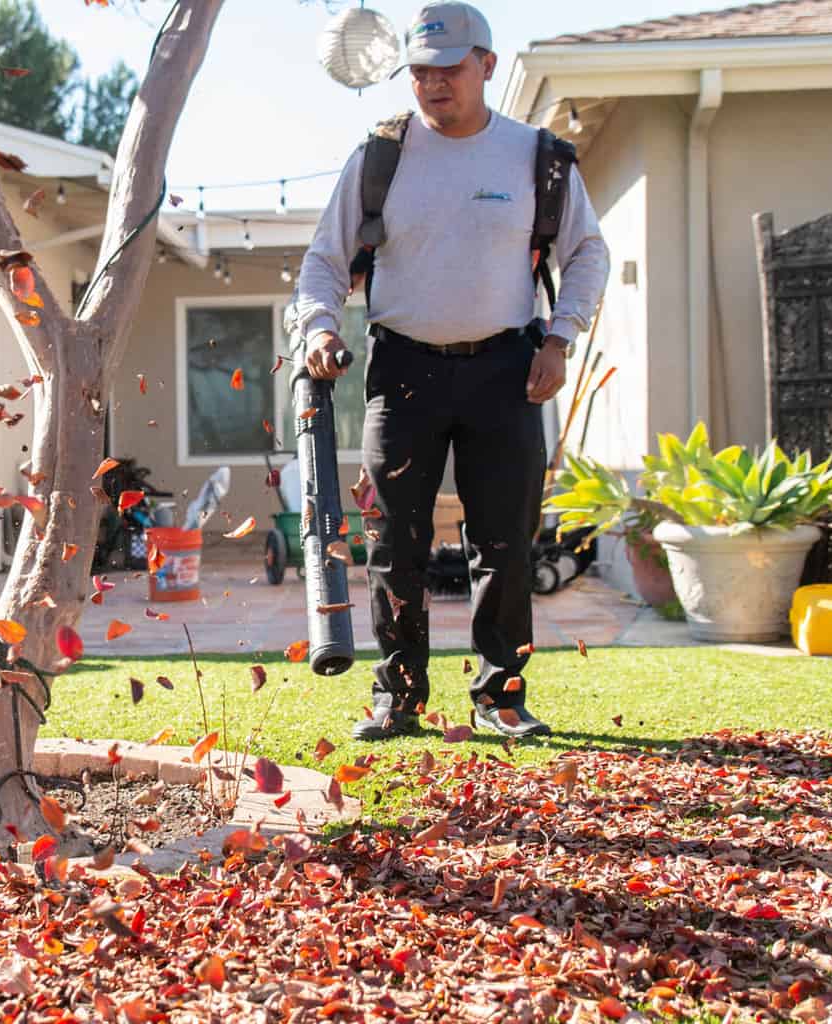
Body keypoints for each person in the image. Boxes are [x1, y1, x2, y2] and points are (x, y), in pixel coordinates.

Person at [293, 1, 609, 741]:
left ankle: (501, 693)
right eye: (421, 73)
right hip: (401, 371)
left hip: (507, 368)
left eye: (450, 70)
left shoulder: (537, 157)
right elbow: (323, 263)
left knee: (503, 541)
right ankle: (398, 695)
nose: (434, 85)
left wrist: (561, 338)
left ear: (487, 66)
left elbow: (586, 252)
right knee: (393, 541)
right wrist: (317, 325)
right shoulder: (382, 157)